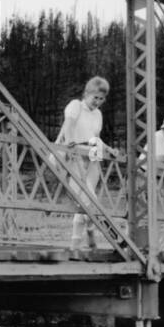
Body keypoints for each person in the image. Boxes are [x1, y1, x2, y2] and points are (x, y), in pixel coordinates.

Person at [54, 76, 120, 252]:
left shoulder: (98, 114)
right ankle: (88, 235)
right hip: (73, 151)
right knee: (88, 198)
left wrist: (109, 149)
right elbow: (68, 126)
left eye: (101, 99)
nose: (97, 102)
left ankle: (82, 241)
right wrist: (69, 146)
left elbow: (95, 137)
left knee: (88, 197)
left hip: (91, 151)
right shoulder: (76, 106)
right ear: (86, 94)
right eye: (95, 97)